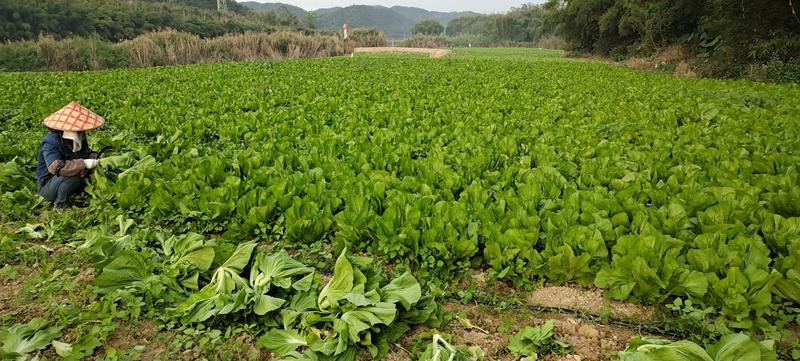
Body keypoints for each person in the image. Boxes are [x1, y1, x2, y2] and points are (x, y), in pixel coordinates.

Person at [35, 101, 105, 208]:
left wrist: (93, 158)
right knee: (74, 176)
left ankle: (74, 194)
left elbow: (85, 152)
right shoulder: (50, 142)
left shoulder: (78, 136)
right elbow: (55, 167)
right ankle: (60, 204)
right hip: (49, 185)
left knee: (83, 174)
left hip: (63, 180)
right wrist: (83, 164)